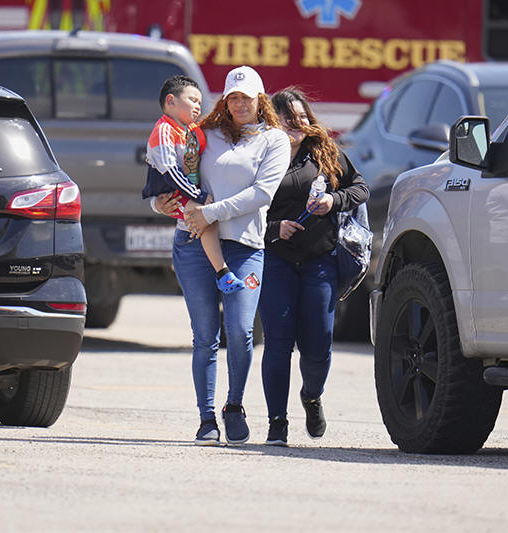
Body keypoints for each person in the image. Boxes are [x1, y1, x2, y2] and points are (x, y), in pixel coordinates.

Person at [154, 66, 290, 445]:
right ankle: (206, 419)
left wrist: (210, 213)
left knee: (241, 331)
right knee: (204, 335)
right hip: (193, 243)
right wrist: (158, 204)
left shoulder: (274, 140)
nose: (240, 104)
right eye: (233, 98)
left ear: (260, 99)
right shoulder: (204, 134)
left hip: (245, 247)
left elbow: (262, 194)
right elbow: (171, 173)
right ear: (225, 101)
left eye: (247, 97)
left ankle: (234, 405)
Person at [259, 88, 369, 446]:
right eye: (288, 118)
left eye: (302, 117)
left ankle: (311, 396)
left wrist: (333, 201)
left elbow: (360, 188)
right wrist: (275, 228)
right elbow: (242, 209)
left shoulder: (324, 153)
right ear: (273, 122)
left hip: (320, 260)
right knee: (278, 342)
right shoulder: (259, 155)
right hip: (275, 258)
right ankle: (277, 422)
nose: (297, 124)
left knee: (318, 344)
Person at [142, 75, 245, 294]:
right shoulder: (164, 130)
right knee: (204, 215)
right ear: (171, 101)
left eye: (200, 102)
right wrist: (199, 195)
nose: (198, 106)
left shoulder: (190, 129)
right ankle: (223, 273)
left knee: (208, 218)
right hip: (171, 192)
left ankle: (218, 270)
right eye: (193, 100)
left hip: (186, 191)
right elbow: (171, 172)